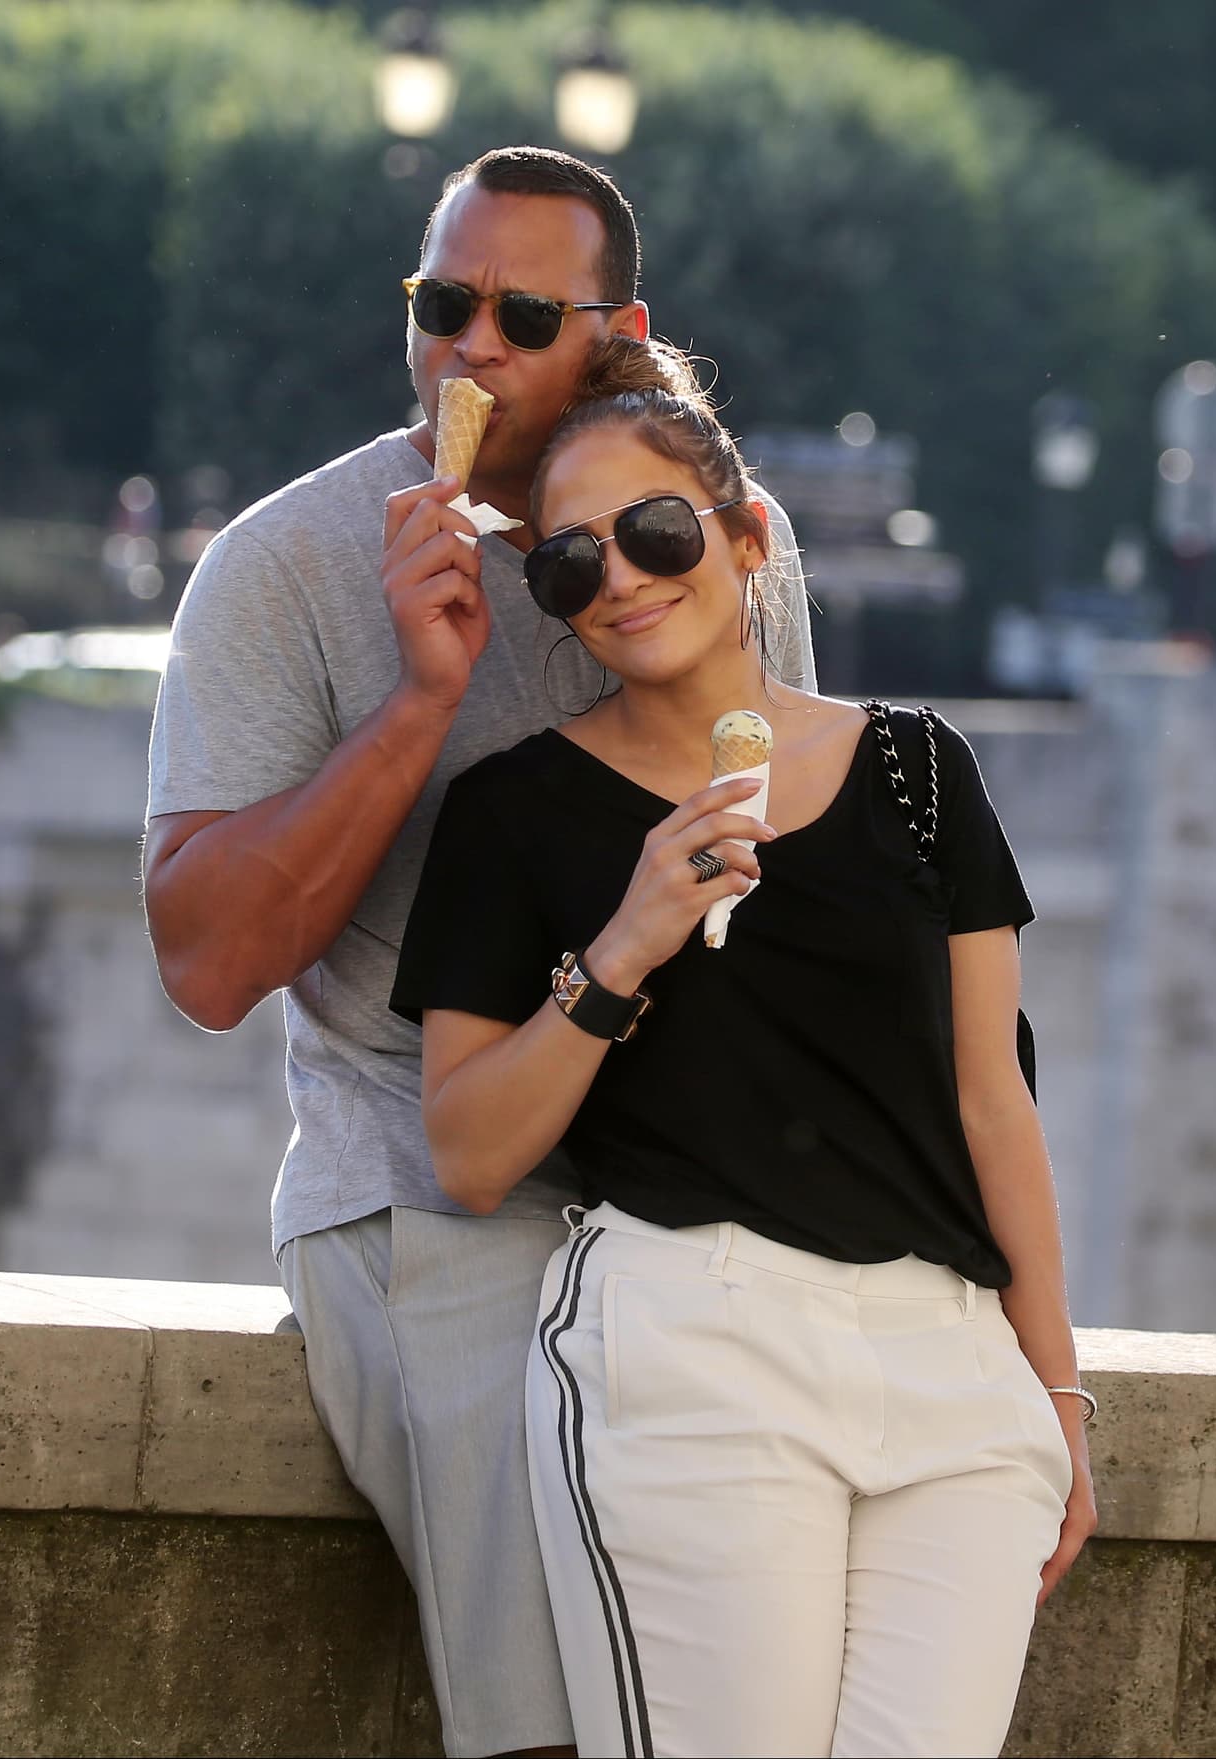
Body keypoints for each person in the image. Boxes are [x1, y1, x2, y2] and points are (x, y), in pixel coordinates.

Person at [142, 146, 817, 1759]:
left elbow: (780, 869)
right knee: (558, 1671)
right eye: (445, 304)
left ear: (617, 327)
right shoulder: (285, 568)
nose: (476, 348)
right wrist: (416, 704)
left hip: (686, 1167)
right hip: (428, 1188)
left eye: (526, 312)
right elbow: (209, 968)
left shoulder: (726, 543)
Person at [390, 335, 1098, 1759]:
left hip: (949, 1372)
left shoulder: (916, 766)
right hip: (689, 1349)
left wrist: (1057, 1392)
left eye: (654, 531)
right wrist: (626, 943)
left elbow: (991, 1104)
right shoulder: (515, 814)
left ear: (747, 534)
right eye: (570, 563)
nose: (622, 579)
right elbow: (467, 1152)